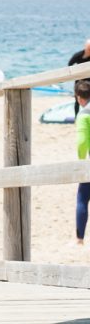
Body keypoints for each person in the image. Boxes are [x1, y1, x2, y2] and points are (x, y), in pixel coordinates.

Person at [74, 80, 90, 246]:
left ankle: (80, 239)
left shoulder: (84, 114)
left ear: (79, 98)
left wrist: (81, 162)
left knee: (82, 198)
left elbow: (82, 142)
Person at [68, 39, 90, 115]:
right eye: (89, 48)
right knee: (77, 100)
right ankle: (76, 116)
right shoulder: (78, 55)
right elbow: (69, 65)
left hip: (89, 81)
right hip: (79, 81)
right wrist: (75, 75)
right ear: (85, 47)